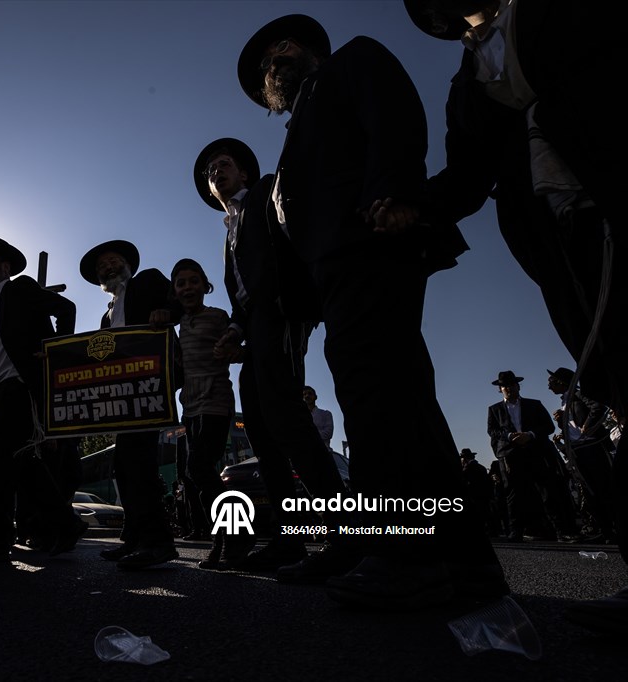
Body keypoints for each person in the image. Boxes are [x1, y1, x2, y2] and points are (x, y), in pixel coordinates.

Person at [237, 13, 504, 609]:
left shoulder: (351, 62)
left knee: (375, 399)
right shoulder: (297, 127)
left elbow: (394, 116)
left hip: (372, 243)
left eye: (273, 56)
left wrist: (397, 191)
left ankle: (404, 557)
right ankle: (462, 559)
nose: (268, 70)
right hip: (334, 278)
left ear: (293, 46)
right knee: (401, 399)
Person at [401, 0, 626, 633]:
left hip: (607, 195)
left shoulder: (564, 12)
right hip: (551, 243)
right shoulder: (464, 85)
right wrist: (404, 206)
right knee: (609, 375)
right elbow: (466, 180)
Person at [193, 137, 352, 577]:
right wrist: (233, 330)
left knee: (288, 422)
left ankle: (345, 534)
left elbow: (294, 240)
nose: (216, 173)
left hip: (282, 316)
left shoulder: (265, 193)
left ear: (243, 173)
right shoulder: (229, 232)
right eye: (210, 173)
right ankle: (288, 538)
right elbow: (243, 298)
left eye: (223, 165)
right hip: (257, 327)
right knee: (262, 433)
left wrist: (295, 304)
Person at [0, 236, 84, 564]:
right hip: (2, 393)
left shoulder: (19, 288)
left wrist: (54, 351)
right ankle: (67, 524)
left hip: (20, 388)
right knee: (21, 463)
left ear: (5, 266)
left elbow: (66, 309)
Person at [80, 239, 180, 570]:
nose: (107, 267)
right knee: (124, 465)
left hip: (150, 389)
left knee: (140, 464)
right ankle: (134, 538)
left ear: (127, 265)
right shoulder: (106, 318)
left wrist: (167, 313)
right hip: (124, 399)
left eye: (112, 261)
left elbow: (177, 301)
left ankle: (157, 541)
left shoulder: (147, 281)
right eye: (101, 267)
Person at [167, 258, 243, 570]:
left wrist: (232, 350)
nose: (188, 287)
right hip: (191, 408)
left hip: (217, 402)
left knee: (199, 467)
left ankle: (233, 536)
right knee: (194, 474)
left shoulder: (217, 317)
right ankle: (227, 537)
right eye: (181, 283)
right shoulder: (175, 326)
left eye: (193, 281)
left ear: (205, 286)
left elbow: (237, 350)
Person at [486, 370, 579, 544]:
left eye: (512, 385)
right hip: (511, 455)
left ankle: (561, 531)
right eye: (505, 386)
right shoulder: (494, 409)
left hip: (536, 451)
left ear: (518, 386)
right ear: (500, 389)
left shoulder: (534, 405)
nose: (509, 388)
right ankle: (516, 533)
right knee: (514, 494)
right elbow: (492, 430)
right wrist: (509, 436)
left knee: (547, 491)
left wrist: (530, 434)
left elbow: (548, 427)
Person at [546, 367, 615, 544]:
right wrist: (562, 420)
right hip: (577, 450)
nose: (549, 386)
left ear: (561, 381)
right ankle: (605, 530)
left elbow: (598, 407)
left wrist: (588, 426)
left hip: (591, 446)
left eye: (551, 381)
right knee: (590, 492)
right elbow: (573, 425)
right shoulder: (565, 402)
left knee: (602, 488)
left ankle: (614, 528)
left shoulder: (578, 394)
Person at [303, 386, 333, 451]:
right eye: (304, 394)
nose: (307, 396)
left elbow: (328, 433)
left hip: (323, 451)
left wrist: (307, 436)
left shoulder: (326, 414)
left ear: (315, 397)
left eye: (310, 393)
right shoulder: (300, 416)